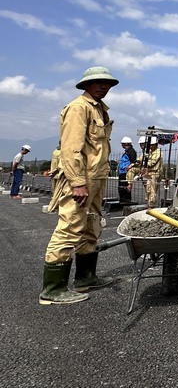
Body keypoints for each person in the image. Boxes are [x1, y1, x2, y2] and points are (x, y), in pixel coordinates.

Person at [39, 66, 119, 305]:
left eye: (107, 83)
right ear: (86, 85)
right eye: (98, 83)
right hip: (81, 179)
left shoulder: (100, 110)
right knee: (70, 227)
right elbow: (71, 149)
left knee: (90, 226)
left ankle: (86, 278)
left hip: (95, 177)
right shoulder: (78, 108)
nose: (103, 86)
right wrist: (77, 183)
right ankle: (52, 289)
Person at [141, 136, 162, 208]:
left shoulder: (157, 152)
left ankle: (151, 204)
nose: (151, 147)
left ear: (156, 144)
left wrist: (143, 164)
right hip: (149, 173)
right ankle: (149, 203)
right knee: (148, 188)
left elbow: (151, 163)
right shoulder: (150, 152)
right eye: (150, 145)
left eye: (152, 145)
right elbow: (142, 158)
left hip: (155, 173)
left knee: (152, 189)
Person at [117, 136, 137, 205]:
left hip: (126, 172)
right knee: (121, 187)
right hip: (123, 171)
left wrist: (128, 167)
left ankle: (126, 200)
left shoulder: (131, 152)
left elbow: (133, 162)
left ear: (125, 144)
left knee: (125, 187)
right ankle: (123, 200)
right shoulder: (128, 151)